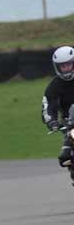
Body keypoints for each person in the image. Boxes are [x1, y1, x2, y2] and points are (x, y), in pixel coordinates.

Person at [42, 46, 74, 184]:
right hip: (71, 124)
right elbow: (48, 107)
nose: (66, 68)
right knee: (65, 157)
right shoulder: (55, 86)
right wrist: (52, 122)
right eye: (63, 66)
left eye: (68, 64)